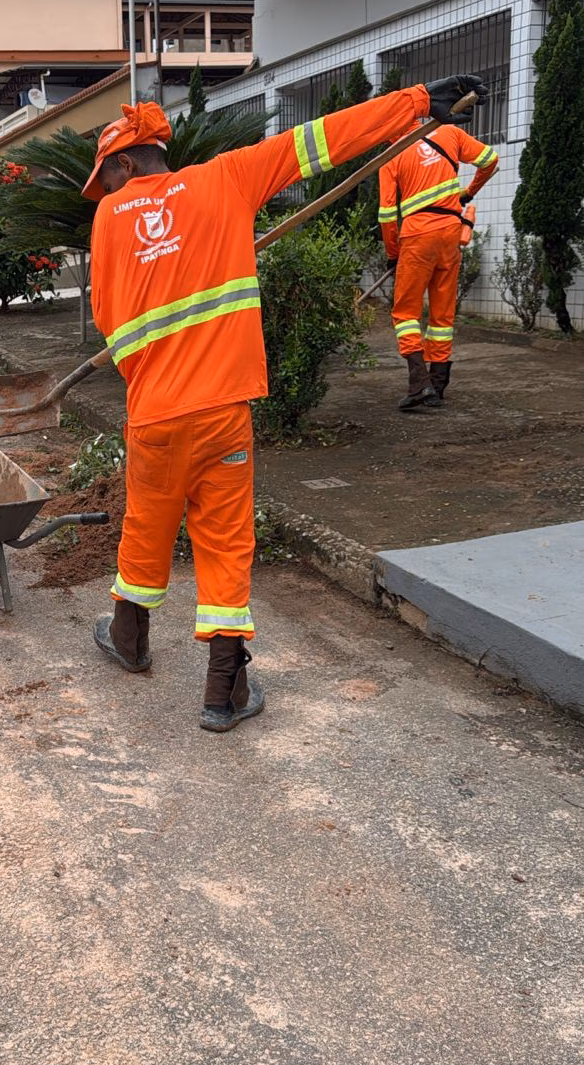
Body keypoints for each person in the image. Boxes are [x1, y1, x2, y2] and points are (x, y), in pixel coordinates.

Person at [84, 75, 487, 732]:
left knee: (147, 525)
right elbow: (322, 141)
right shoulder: (226, 180)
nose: (104, 193)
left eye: (106, 179)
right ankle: (223, 692)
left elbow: (108, 317)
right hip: (223, 411)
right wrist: (414, 103)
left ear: (126, 161)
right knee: (223, 541)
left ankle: (129, 641)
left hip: (154, 413)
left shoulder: (107, 218)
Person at [378, 117, 499, 409]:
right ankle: (438, 384)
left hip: (417, 237)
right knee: (442, 315)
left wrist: (393, 254)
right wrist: (468, 192)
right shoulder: (449, 132)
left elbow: (385, 216)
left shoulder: (390, 157)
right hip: (450, 233)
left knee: (405, 313)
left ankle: (419, 384)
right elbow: (490, 159)